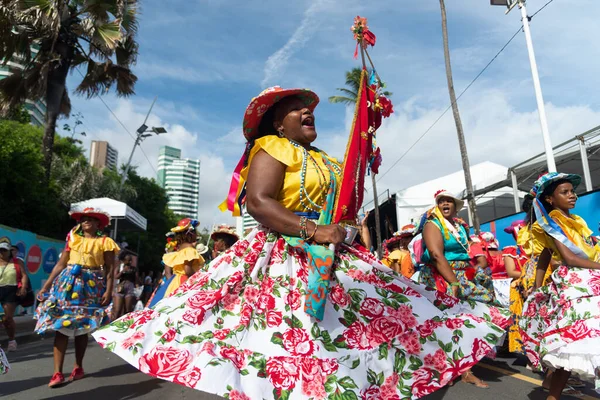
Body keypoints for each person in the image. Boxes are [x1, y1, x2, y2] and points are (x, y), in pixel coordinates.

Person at [93, 86, 508, 399]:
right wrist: (311, 230)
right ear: (277, 122)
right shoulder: (272, 147)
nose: (306, 110)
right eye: (294, 108)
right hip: (285, 258)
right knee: (290, 347)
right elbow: (258, 201)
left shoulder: (327, 159)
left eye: (307, 106)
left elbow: (345, 203)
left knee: (353, 342)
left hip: (335, 260)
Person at [519, 172, 600, 400]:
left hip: (588, 280)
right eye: (564, 192)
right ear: (550, 199)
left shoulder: (575, 221)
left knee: (575, 343)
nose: (572, 195)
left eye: (572, 191)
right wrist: (536, 287)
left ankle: (553, 396)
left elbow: (545, 255)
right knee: (580, 340)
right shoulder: (552, 222)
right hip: (575, 285)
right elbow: (570, 259)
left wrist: (536, 284)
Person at [419, 190, 510, 388]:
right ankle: (456, 370)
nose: (445, 203)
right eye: (441, 201)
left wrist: (475, 269)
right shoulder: (432, 224)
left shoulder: (459, 226)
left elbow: (468, 251)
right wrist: (453, 283)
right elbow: (436, 254)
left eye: (449, 201)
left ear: (455, 206)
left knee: (470, 320)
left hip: (462, 274)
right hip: (441, 276)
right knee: (448, 324)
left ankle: (462, 369)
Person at [34, 207, 118, 388]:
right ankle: (57, 372)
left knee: (83, 327)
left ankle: (78, 367)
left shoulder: (105, 242)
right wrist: (46, 286)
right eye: (84, 218)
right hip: (67, 284)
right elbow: (61, 264)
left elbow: (111, 270)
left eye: (91, 218)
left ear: (98, 224)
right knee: (60, 326)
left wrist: (108, 291)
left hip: (92, 286)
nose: (86, 221)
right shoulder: (72, 238)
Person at [161, 218, 204, 298]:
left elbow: (168, 272)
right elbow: (187, 270)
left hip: (174, 282)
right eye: (195, 232)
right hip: (185, 281)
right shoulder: (190, 250)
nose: (196, 235)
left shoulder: (179, 251)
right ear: (191, 233)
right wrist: (199, 276)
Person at [0, 238, 29, 352]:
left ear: (9, 251)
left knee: (8, 318)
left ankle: (12, 341)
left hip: (10, 290)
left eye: (4, 250)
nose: (2, 252)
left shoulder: (17, 262)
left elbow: (24, 275)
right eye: (0, 250)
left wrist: (23, 287)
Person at [112, 251, 138, 320]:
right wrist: (123, 271)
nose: (130, 262)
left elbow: (136, 280)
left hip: (130, 289)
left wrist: (138, 291)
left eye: (130, 260)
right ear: (123, 260)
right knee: (117, 310)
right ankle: (113, 324)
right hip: (120, 289)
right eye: (128, 260)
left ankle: (125, 324)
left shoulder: (133, 269)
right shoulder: (119, 267)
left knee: (128, 310)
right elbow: (116, 276)